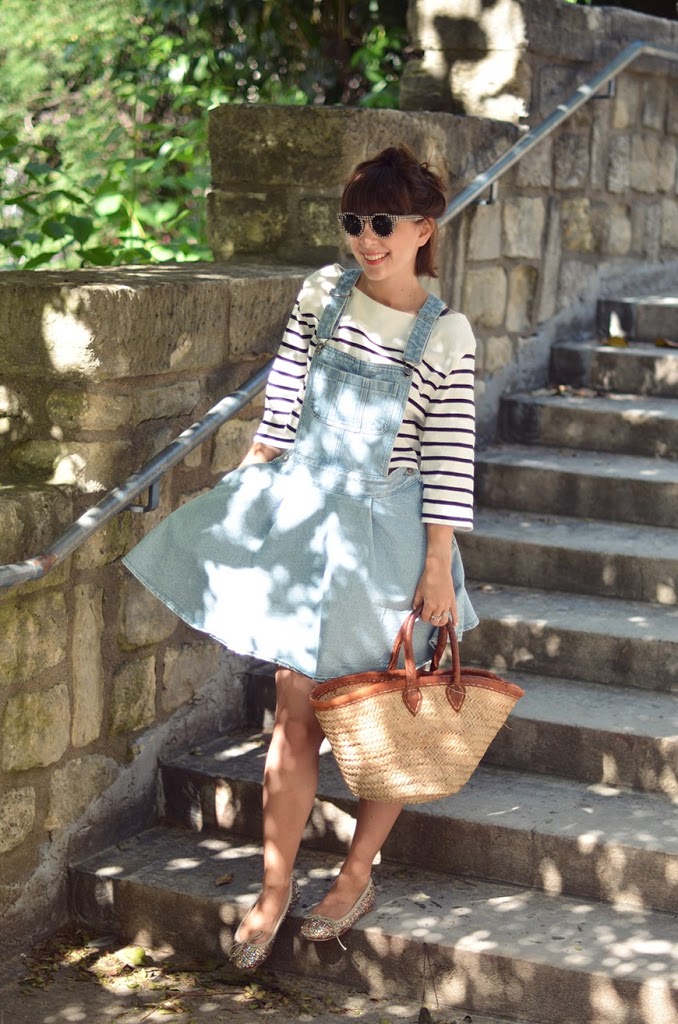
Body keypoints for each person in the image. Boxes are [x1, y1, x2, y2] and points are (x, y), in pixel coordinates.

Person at [123, 144, 478, 970]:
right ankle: (275, 889)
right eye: (355, 222)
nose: (367, 239)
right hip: (308, 529)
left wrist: (437, 569)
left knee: (390, 713)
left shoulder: (447, 333)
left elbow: (451, 454)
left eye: (384, 223)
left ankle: (356, 873)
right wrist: (246, 494)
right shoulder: (322, 295)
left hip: (389, 545)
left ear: (424, 228)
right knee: (295, 713)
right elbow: (281, 404)